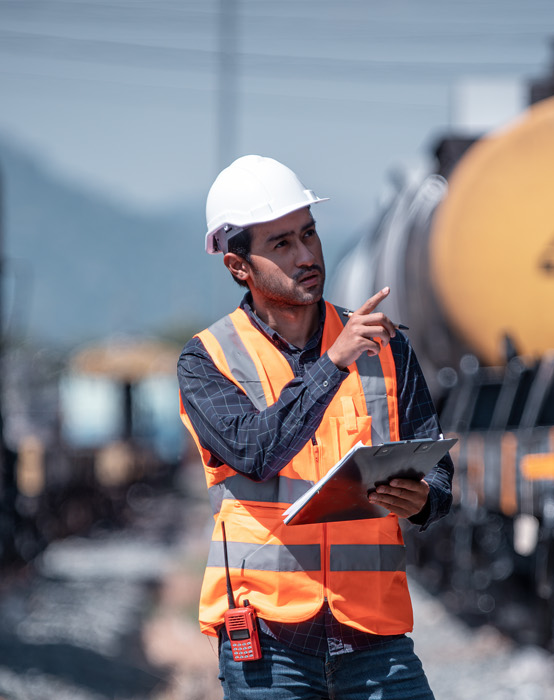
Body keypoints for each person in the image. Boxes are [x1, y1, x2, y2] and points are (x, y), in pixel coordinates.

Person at [177, 155, 455, 699]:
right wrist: (333, 364)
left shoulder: (387, 346)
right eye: (281, 244)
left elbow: (440, 479)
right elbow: (256, 451)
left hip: (376, 638)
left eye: (309, 234)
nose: (306, 255)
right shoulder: (207, 360)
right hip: (267, 644)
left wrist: (420, 499)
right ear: (239, 266)